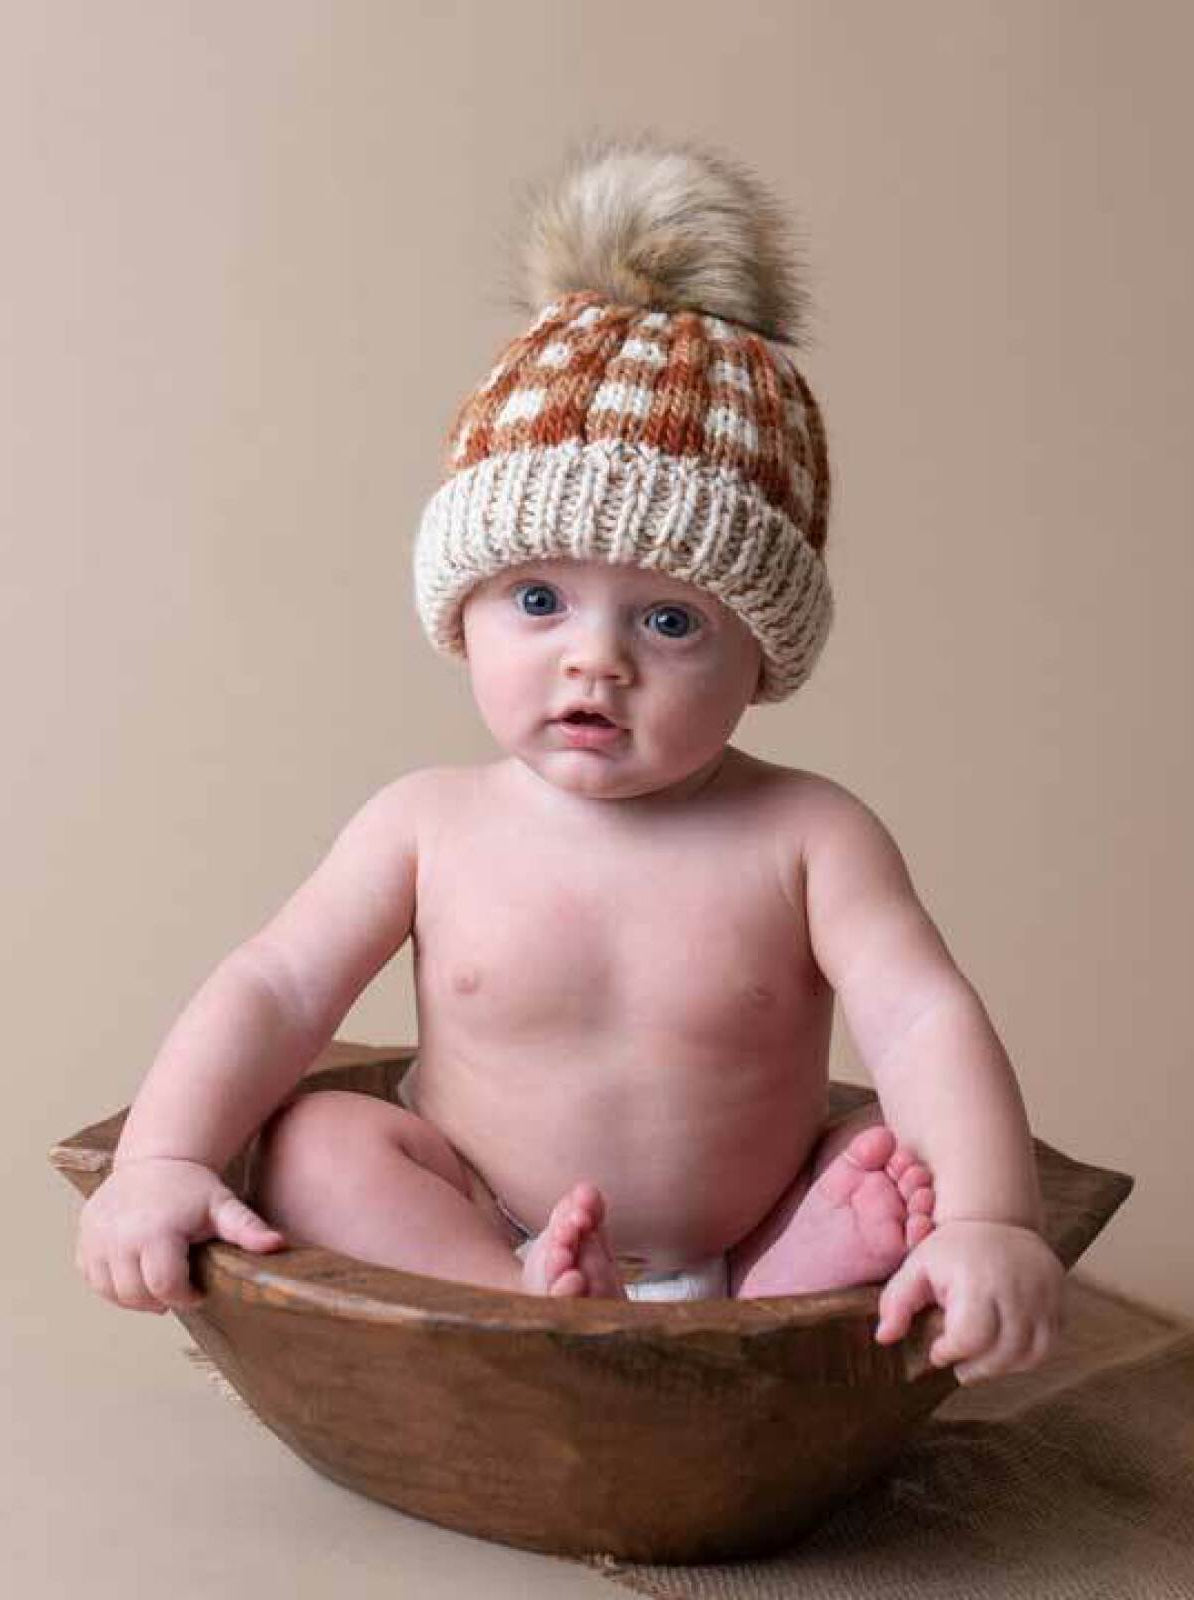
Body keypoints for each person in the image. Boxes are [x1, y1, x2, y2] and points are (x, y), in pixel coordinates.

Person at [76, 133, 1063, 1385]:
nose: (596, 663)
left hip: (740, 1227)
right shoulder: (426, 823)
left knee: (892, 1163)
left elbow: (921, 1018)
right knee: (320, 1140)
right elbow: (274, 990)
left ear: (762, 652)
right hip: (474, 1226)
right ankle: (532, 1306)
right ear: (462, 614)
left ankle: (774, 1285)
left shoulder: (811, 837)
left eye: (671, 621)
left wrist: (990, 1217)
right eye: (539, 600)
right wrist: (162, 1157)